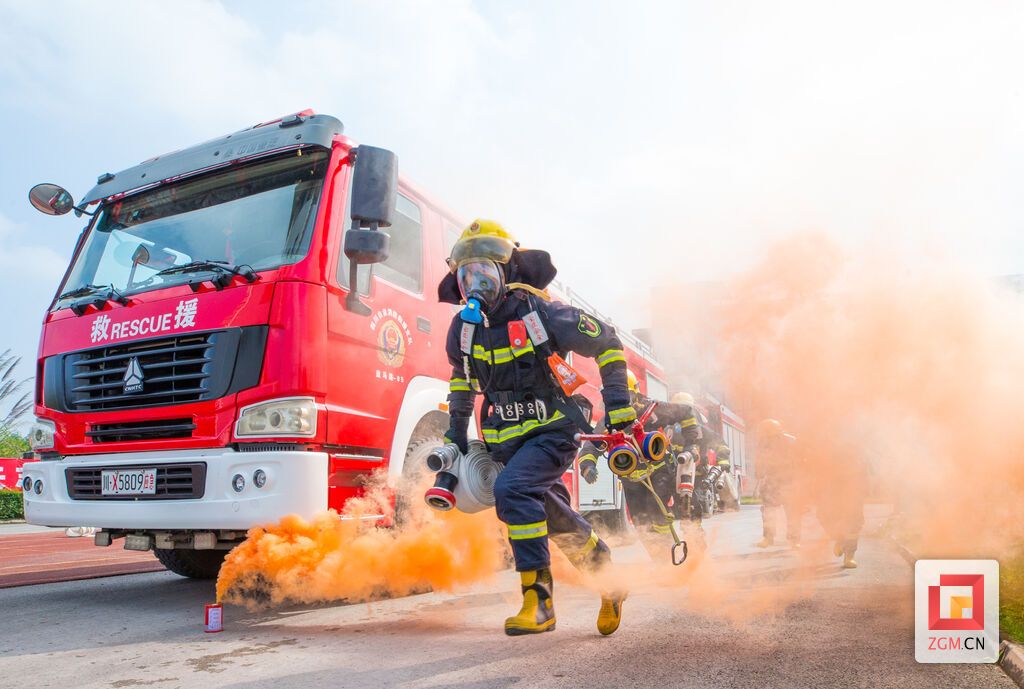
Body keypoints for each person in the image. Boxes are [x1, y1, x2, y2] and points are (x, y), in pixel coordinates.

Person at [439, 219, 634, 636]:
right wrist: (456, 431)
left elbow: (608, 341)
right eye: (466, 273)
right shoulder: (463, 329)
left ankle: (538, 602)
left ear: (507, 270)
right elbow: (462, 378)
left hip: (553, 430)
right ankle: (608, 577)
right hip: (506, 441)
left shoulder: (540, 311)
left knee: (513, 491)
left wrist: (618, 407)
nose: (476, 282)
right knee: (552, 514)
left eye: (485, 271)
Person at [578, 374, 702, 559]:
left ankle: (668, 557)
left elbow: (687, 412)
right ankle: (659, 559)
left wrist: (691, 443)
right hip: (631, 479)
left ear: (634, 393)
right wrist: (587, 465)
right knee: (640, 521)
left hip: (658, 471)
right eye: (611, 395)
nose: (616, 399)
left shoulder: (651, 409)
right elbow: (592, 444)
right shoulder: (608, 421)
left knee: (656, 513)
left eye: (621, 393)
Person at [754, 419, 803, 548]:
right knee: (768, 510)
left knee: (793, 512)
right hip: (771, 481)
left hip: (789, 481)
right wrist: (758, 472)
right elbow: (759, 459)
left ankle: (794, 540)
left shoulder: (791, 441)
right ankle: (768, 538)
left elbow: (801, 459)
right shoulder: (763, 443)